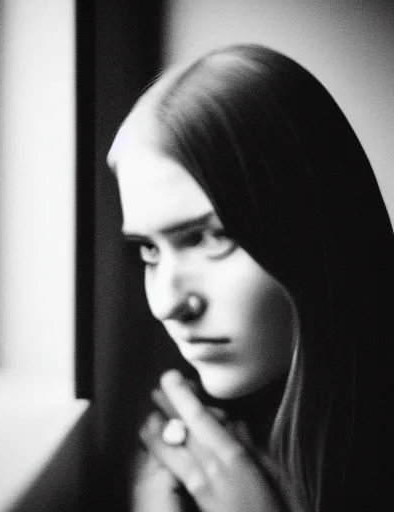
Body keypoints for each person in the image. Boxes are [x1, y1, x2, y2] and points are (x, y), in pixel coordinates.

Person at [106, 44, 393, 511]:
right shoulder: (180, 450)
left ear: (320, 228)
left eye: (211, 237)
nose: (167, 303)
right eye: (149, 250)